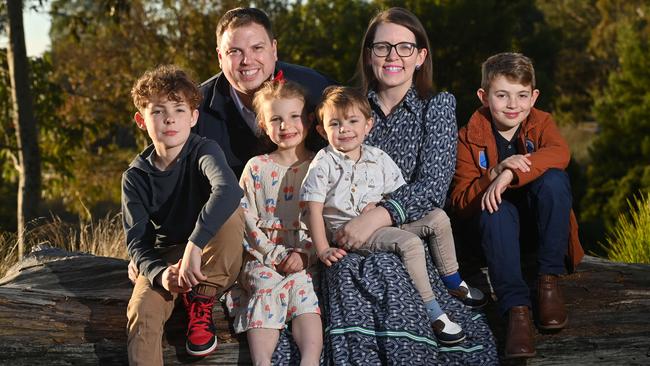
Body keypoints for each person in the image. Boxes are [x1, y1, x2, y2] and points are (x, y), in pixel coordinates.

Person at [318, 8, 498, 365]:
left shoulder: (437, 107)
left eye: (404, 48)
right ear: (370, 55)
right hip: (350, 235)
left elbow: (433, 185)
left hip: (411, 234)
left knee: (400, 276)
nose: (393, 57)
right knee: (354, 279)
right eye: (382, 47)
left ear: (420, 56)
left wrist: (379, 216)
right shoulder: (349, 111)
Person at [301, 86, 465, 345]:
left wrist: (380, 205)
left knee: (438, 218)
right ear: (322, 130)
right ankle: (432, 310)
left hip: (379, 222)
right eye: (335, 123)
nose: (344, 129)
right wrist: (322, 249)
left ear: (368, 125)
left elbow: (398, 193)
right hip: (349, 232)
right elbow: (313, 209)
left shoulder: (378, 157)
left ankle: (453, 280)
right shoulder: (324, 163)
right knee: (409, 244)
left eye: (353, 121)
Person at [449, 52, 584, 359]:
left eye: (522, 95)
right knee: (497, 208)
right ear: (484, 96)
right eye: (502, 95)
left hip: (535, 229)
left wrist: (509, 172)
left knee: (554, 180)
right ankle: (517, 311)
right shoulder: (467, 138)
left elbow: (560, 154)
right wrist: (492, 174)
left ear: (534, 97)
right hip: (493, 235)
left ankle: (548, 281)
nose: (513, 105)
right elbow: (460, 202)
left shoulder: (541, 123)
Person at [122, 65, 245, 365]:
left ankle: (202, 296)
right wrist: (160, 274)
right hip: (168, 259)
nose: (169, 118)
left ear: (193, 116)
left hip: (211, 251)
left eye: (179, 109)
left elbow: (228, 190)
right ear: (141, 120)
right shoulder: (135, 176)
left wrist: (195, 245)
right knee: (142, 311)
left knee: (230, 209)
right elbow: (137, 241)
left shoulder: (205, 150)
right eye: (158, 111)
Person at [225, 80, 322, 366]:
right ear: (264, 126)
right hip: (263, 258)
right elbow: (246, 219)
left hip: (307, 257)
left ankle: (310, 359)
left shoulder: (321, 164)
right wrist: (274, 255)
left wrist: (305, 254)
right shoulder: (256, 167)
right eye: (276, 119)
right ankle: (263, 361)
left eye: (294, 117)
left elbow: (328, 217)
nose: (286, 125)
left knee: (303, 290)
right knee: (265, 287)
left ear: (309, 120)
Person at [195, 7, 335, 178]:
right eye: (234, 51)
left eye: (257, 48)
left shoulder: (320, 91)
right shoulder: (193, 109)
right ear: (220, 57)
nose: (247, 60)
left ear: (274, 49)